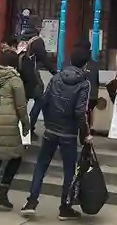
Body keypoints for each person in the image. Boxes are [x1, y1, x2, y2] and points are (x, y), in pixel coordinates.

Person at [20, 46, 92, 220]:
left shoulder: (57, 77)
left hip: (51, 129)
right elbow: (80, 112)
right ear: (85, 63)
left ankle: (31, 201)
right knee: (69, 171)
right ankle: (64, 207)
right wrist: (85, 136)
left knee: (41, 166)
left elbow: (44, 100)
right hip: (69, 132)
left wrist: (48, 121)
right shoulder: (84, 83)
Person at [0, 50, 30, 212]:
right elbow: (21, 106)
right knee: (16, 157)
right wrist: (26, 124)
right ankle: (2, 192)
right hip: (9, 123)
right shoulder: (15, 79)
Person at [17, 15, 56, 140]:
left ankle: (20, 128)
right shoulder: (37, 41)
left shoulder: (21, 39)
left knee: (21, 102)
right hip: (32, 76)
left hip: (19, 75)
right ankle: (29, 128)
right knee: (40, 100)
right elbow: (45, 60)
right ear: (37, 26)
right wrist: (55, 72)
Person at [75, 37, 99, 129]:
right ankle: (86, 133)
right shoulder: (95, 63)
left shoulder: (76, 62)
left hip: (81, 96)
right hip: (92, 97)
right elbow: (96, 81)